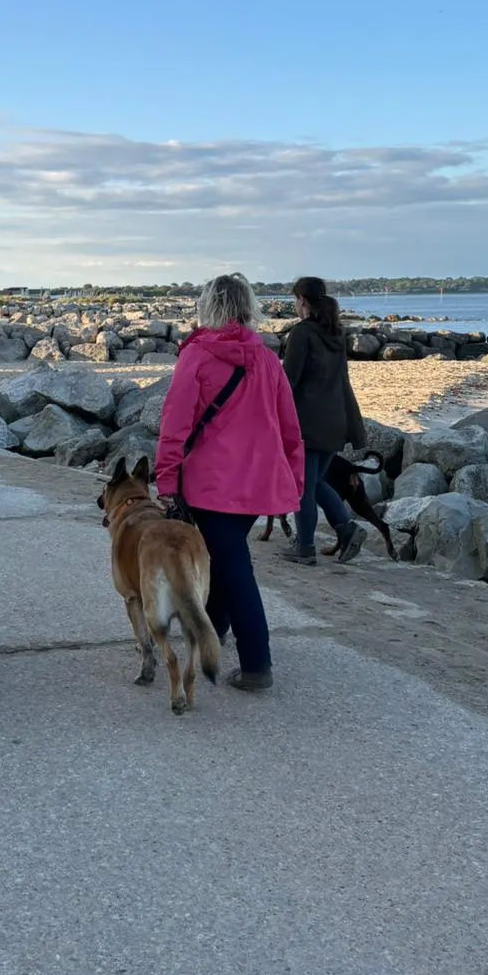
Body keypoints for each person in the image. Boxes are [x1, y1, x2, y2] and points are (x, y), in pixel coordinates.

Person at [155, 273, 303, 693]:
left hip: (212, 484)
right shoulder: (267, 359)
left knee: (233, 566)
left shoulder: (197, 355)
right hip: (259, 482)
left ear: (208, 306)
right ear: (247, 307)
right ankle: (212, 631)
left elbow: (175, 424)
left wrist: (166, 480)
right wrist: (293, 480)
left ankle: (256, 662)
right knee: (224, 558)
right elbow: (290, 427)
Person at [280, 276, 368, 566]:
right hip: (337, 420)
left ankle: (305, 546)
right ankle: (346, 528)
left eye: (295, 300)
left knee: (302, 486)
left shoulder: (302, 333)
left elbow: (289, 381)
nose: (295, 305)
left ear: (302, 300)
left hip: (307, 422)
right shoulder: (336, 333)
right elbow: (342, 379)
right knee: (315, 481)